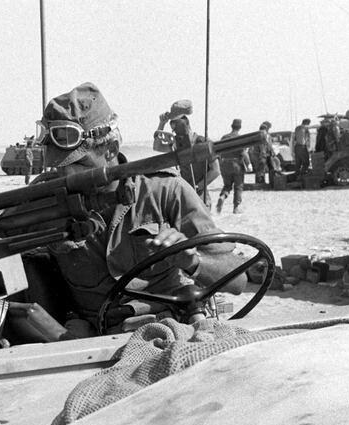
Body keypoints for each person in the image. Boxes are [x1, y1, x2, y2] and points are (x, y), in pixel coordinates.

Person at [33, 82, 247, 337]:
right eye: (58, 166)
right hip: (91, 340)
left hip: (171, 330)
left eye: (78, 165)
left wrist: (191, 260)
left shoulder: (164, 190)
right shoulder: (46, 198)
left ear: (111, 149)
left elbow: (237, 280)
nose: (66, 175)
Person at [153, 99, 220, 209]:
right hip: (184, 194)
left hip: (200, 195)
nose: (176, 134)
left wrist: (199, 186)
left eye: (178, 128)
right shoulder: (177, 145)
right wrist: (161, 124)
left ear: (187, 125)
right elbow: (157, 147)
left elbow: (216, 170)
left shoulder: (203, 142)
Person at [217, 119, 252, 214]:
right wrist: (248, 164)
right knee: (238, 186)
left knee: (227, 185)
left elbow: (218, 151)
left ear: (231, 126)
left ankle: (222, 197)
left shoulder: (224, 137)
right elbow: (244, 153)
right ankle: (236, 208)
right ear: (240, 127)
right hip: (236, 165)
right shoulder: (239, 138)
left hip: (224, 165)